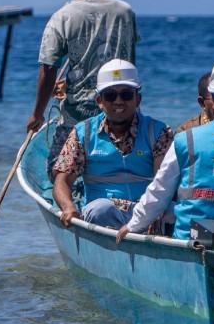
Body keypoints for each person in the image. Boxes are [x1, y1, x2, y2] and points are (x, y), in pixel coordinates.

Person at [116, 56, 214, 242]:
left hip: (189, 243)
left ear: (212, 100)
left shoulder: (186, 139)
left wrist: (133, 225)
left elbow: (159, 191)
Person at [26, 0, 139, 174]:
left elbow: (49, 69)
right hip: (124, 108)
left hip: (78, 114)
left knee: (56, 172)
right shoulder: (125, 11)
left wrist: (37, 114)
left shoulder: (62, 17)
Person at [52, 59, 172, 229]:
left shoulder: (159, 132)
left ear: (138, 99)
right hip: (103, 215)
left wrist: (149, 215)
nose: (118, 101)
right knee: (101, 209)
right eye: (110, 95)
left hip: (146, 211)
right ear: (99, 101)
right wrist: (68, 207)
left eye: (126, 95)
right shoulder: (83, 133)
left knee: (173, 212)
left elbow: (164, 182)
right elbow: (62, 181)